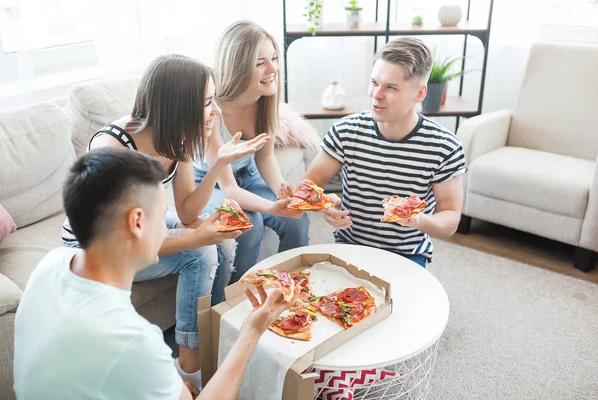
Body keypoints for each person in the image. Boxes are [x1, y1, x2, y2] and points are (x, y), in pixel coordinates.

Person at [14, 148, 294, 399]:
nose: (169, 228)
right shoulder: (134, 341)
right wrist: (252, 331)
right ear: (137, 222)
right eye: (161, 215)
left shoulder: (49, 264)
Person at [60, 54, 269, 390]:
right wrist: (196, 239)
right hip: (98, 245)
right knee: (200, 253)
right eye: (206, 103)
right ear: (177, 106)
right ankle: (190, 365)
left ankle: (206, 337)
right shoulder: (113, 151)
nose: (215, 112)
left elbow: (187, 211)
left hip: (141, 222)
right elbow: (127, 242)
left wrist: (218, 165)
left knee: (224, 241)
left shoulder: (177, 137)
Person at [304, 37, 467, 268]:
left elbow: (450, 218)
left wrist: (418, 220)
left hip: (407, 256)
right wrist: (324, 204)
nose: (376, 94)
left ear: (419, 94)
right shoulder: (346, 131)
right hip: (349, 248)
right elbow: (309, 184)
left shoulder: (445, 147)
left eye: (390, 87)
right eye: (374, 82)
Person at [194, 21, 309, 288]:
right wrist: (271, 206)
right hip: (210, 182)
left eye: (274, 59)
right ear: (237, 66)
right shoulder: (213, 110)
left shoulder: (266, 101)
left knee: (296, 217)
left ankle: (292, 290)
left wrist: (282, 191)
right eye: (260, 63)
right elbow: (229, 188)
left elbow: (265, 157)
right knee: (249, 224)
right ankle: (237, 300)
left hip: (248, 174)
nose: (273, 69)